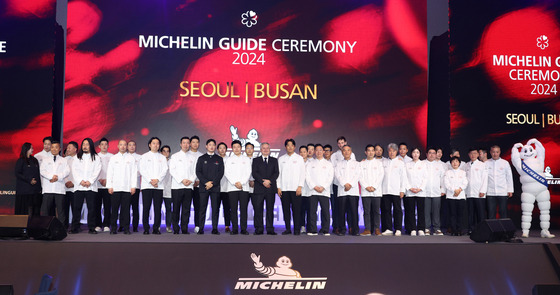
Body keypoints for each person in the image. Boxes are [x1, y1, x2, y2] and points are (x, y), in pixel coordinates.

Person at [71, 138, 102, 234]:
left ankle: (92, 227)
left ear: (91, 146)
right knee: (76, 208)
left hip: (91, 187)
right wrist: (81, 181)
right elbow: (74, 170)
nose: (84, 146)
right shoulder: (77, 157)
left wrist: (90, 181)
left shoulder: (96, 157)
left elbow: (97, 171)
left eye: (87, 144)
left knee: (91, 208)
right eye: (83, 144)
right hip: (79, 186)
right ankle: (75, 227)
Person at [106, 139, 137, 235]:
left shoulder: (131, 158)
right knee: (114, 209)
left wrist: (133, 186)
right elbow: (109, 173)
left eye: (125, 145)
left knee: (126, 210)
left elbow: (134, 173)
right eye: (121, 145)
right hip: (115, 188)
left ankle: (126, 228)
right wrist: (109, 186)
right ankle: (113, 228)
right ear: (118, 146)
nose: (123, 146)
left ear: (126, 147)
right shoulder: (113, 158)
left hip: (127, 188)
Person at [139, 137, 168, 235]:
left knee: (157, 208)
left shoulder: (162, 157)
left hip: (158, 186)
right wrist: (150, 181)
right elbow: (142, 170)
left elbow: (164, 170)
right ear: (149, 145)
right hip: (147, 186)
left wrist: (157, 180)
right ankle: (146, 228)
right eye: (154, 143)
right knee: (146, 208)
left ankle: (156, 228)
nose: (156, 145)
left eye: (157, 143)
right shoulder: (144, 156)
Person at [277, 139, 306, 235]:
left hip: (295, 189)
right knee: (286, 210)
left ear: (294, 147)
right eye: (288, 145)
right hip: (284, 189)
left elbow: (302, 173)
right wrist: (279, 187)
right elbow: (278, 175)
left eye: (291, 145)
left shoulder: (299, 158)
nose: (290, 147)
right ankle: (288, 229)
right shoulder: (281, 159)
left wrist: (300, 186)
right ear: (285, 147)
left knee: (296, 210)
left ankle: (297, 229)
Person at [195, 139, 224, 235]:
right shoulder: (201, 158)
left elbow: (221, 173)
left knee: (215, 209)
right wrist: (206, 183)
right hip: (204, 188)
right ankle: (201, 228)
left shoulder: (219, 159)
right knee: (202, 208)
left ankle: (215, 228)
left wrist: (212, 183)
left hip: (215, 188)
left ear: (215, 147)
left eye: (213, 145)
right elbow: (198, 172)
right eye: (210, 145)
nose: (212, 146)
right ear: (206, 146)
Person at [168, 136, 196, 234]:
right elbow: (172, 170)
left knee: (186, 209)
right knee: (176, 208)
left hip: (188, 187)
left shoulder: (193, 157)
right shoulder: (175, 156)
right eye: (184, 143)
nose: (186, 145)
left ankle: (184, 228)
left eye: (188, 143)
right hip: (177, 187)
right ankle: (176, 228)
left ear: (190, 144)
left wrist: (190, 180)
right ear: (180, 144)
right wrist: (181, 180)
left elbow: (195, 172)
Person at [39, 141, 70, 226]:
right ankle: (44, 228)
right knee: (45, 210)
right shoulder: (45, 160)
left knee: (61, 211)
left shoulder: (64, 160)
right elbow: (42, 171)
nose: (54, 149)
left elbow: (66, 171)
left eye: (56, 147)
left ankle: (62, 229)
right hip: (48, 189)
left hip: (59, 189)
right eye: (52, 147)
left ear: (59, 149)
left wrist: (57, 177)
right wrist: (51, 177)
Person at [251, 142, 279, 235]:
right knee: (258, 209)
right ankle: (259, 229)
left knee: (270, 209)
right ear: (260, 149)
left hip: (270, 188)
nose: (265, 150)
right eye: (263, 148)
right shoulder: (256, 160)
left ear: (270, 149)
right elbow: (254, 173)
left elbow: (276, 173)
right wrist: (263, 182)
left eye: (267, 148)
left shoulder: (274, 160)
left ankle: (270, 229)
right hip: (259, 188)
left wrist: (269, 181)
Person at [305, 144, 333, 236]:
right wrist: (315, 187)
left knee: (325, 211)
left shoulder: (329, 164)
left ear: (323, 152)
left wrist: (323, 187)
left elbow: (330, 177)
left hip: (324, 191)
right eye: (316, 150)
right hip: (313, 191)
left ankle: (325, 229)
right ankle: (313, 229)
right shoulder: (310, 164)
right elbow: (307, 177)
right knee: (312, 211)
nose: (318, 152)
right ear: (314, 152)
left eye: (320, 150)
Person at [225, 140, 252, 235]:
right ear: (232, 149)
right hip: (232, 188)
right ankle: (235, 229)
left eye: (238, 147)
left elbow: (248, 173)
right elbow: (227, 173)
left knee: (243, 209)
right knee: (233, 209)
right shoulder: (229, 160)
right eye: (234, 147)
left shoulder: (246, 159)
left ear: (241, 148)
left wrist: (242, 183)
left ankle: (244, 229)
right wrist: (235, 183)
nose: (236, 149)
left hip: (244, 188)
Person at [381, 143, 408, 236]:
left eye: (393, 151)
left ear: (396, 152)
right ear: (388, 151)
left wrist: (402, 190)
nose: (391, 153)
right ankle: (388, 228)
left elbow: (403, 177)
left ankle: (398, 228)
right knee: (386, 210)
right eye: (390, 151)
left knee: (397, 210)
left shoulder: (400, 163)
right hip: (385, 190)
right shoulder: (384, 162)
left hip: (396, 191)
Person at [334, 145, 360, 236]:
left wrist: (350, 185)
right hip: (342, 191)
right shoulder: (339, 164)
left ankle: (355, 230)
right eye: (344, 150)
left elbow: (357, 175)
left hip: (353, 191)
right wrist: (345, 184)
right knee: (341, 212)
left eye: (348, 150)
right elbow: (338, 175)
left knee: (354, 212)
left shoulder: (357, 164)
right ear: (342, 152)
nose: (346, 152)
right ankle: (342, 230)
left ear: (351, 151)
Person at [358, 144, 384, 236]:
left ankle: (377, 229)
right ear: (365, 152)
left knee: (376, 211)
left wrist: (374, 186)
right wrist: (366, 187)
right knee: (367, 211)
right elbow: (360, 176)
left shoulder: (379, 163)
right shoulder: (361, 164)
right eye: (368, 150)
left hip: (376, 191)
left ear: (374, 152)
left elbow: (381, 176)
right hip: (365, 192)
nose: (371, 152)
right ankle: (367, 229)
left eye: (372, 150)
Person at [462, 148, 488, 234]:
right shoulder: (466, 165)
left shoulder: (482, 165)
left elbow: (485, 179)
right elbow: (464, 179)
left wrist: (483, 190)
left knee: (480, 213)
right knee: (470, 213)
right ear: (469, 155)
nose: (473, 155)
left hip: (479, 193)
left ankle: (481, 229)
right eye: (471, 153)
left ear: (478, 154)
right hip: (469, 193)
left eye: (475, 153)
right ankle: (471, 229)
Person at [486, 145, 513, 219]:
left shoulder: (505, 163)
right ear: (490, 152)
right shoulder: (486, 163)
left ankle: (503, 230)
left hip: (502, 191)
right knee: (491, 212)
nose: (495, 154)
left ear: (499, 152)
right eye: (493, 152)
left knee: (503, 211)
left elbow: (509, 177)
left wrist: (510, 190)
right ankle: (492, 230)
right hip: (490, 191)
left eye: (497, 152)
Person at [14, 143, 42, 216]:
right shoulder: (21, 160)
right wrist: (29, 180)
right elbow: (18, 173)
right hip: (24, 191)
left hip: (34, 190)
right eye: (31, 148)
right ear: (26, 149)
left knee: (35, 209)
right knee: (25, 210)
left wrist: (39, 187)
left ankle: (34, 225)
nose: (33, 150)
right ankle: (22, 225)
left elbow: (38, 174)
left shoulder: (34, 160)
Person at [404, 147, 427, 236]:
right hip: (410, 192)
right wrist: (409, 188)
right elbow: (405, 178)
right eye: (414, 152)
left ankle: (421, 228)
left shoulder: (423, 164)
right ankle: (412, 228)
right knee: (410, 211)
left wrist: (420, 188)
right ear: (411, 154)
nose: (415, 154)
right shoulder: (407, 165)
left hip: (420, 192)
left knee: (421, 211)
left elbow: (425, 178)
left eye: (417, 152)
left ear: (420, 154)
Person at [424, 147, 446, 235]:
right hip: (425, 192)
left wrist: (442, 189)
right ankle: (427, 228)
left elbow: (442, 178)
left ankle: (437, 228)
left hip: (437, 192)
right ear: (426, 154)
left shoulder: (439, 165)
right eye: (430, 153)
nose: (432, 155)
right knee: (426, 211)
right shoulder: (422, 164)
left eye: (434, 153)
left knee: (436, 211)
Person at [444, 156, 468, 236]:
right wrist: (454, 190)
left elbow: (465, 183)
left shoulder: (463, 172)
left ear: (459, 163)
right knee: (452, 214)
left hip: (460, 196)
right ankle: (453, 230)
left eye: (457, 161)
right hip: (451, 196)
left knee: (460, 214)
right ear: (450, 163)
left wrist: (459, 190)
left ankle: (459, 230)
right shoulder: (448, 173)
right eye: (453, 161)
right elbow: (447, 184)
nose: (455, 163)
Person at [96, 138, 113, 232]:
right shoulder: (95, 156)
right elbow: (93, 170)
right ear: (99, 146)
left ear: (108, 146)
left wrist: (107, 180)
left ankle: (107, 224)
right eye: (102, 144)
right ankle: (98, 224)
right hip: (97, 185)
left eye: (106, 144)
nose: (104, 146)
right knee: (97, 206)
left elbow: (114, 171)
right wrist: (99, 179)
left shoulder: (112, 157)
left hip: (108, 185)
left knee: (107, 206)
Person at [188, 136, 204, 233]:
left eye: (197, 142)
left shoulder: (202, 156)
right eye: (193, 142)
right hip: (187, 185)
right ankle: (184, 225)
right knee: (186, 206)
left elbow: (203, 172)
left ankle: (198, 225)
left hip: (199, 185)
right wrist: (191, 180)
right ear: (190, 143)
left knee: (198, 206)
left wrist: (199, 180)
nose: (195, 144)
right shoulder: (186, 154)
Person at [127, 140, 142, 232]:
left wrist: (131, 174)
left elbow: (141, 171)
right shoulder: (124, 157)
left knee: (135, 207)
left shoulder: (140, 157)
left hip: (135, 185)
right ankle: (123, 225)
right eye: (130, 145)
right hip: (124, 186)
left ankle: (135, 226)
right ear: (127, 147)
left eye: (133, 145)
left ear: (135, 146)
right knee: (125, 207)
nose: (132, 147)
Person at [63, 141, 78, 229]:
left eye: (69, 148)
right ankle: (64, 225)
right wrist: (66, 181)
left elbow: (80, 173)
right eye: (67, 147)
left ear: (75, 149)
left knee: (75, 208)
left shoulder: (80, 159)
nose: (67, 149)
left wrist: (73, 182)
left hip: (75, 188)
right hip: (65, 187)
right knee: (64, 208)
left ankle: (75, 226)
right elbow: (62, 172)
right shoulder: (64, 160)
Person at [217, 142, 231, 233]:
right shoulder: (215, 159)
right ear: (217, 149)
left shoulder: (230, 160)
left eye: (224, 148)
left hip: (227, 187)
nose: (222, 150)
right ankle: (215, 225)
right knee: (215, 208)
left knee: (227, 208)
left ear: (226, 149)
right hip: (216, 188)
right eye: (220, 148)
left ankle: (227, 225)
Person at [299, 145, 312, 234]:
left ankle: (310, 227)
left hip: (310, 190)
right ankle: (302, 226)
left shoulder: (312, 163)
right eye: (301, 152)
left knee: (310, 210)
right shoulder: (296, 163)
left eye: (304, 152)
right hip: (299, 190)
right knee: (300, 210)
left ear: (307, 153)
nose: (303, 153)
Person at [160, 145, 173, 233]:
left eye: (167, 151)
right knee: (157, 209)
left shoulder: (172, 162)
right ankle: (157, 226)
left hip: (169, 188)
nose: (166, 153)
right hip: (159, 188)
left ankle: (168, 226)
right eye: (164, 151)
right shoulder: (158, 161)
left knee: (169, 209)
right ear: (161, 152)